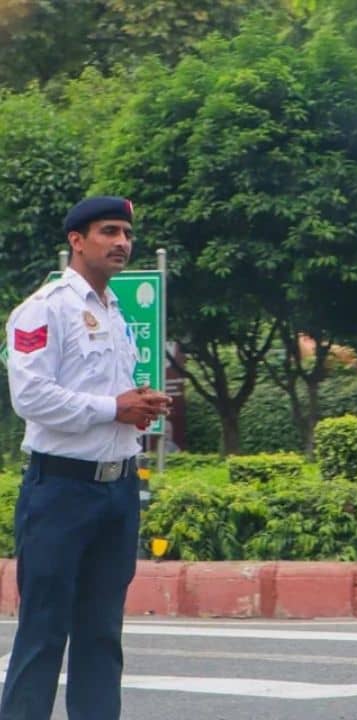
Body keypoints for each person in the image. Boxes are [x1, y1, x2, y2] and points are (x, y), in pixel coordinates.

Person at [2, 197, 171, 720]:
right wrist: (111, 407)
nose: (122, 241)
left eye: (126, 233)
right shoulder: (45, 307)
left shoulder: (114, 312)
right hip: (61, 491)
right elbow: (29, 397)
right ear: (77, 240)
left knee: (102, 634)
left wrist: (135, 408)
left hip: (117, 490)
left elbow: (107, 403)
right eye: (108, 232)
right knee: (44, 632)